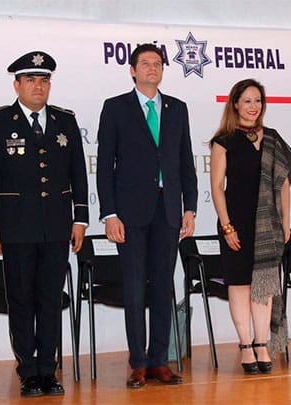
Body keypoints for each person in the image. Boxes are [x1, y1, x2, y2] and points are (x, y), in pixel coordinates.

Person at [0, 51, 88, 397]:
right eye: (31, 80)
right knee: (21, 300)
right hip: (15, 228)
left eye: (44, 80)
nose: (39, 86)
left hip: (56, 226)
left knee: (50, 300)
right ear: (17, 85)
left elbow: (78, 173)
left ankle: (48, 370)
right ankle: (28, 371)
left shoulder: (65, 121)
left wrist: (80, 218)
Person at [96, 43, 198, 389]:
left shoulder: (177, 108)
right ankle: (138, 363)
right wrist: (110, 213)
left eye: (158, 63)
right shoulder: (116, 107)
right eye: (145, 63)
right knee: (135, 288)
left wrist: (189, 207)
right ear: (133, 70)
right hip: (130, 213)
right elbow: (105, 166)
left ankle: (159, 361)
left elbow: (185, 162)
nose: (152, 68)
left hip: (168, 211)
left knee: (162, 288)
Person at [209, 79, 291, 374]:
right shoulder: (224, 140)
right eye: (247, 100)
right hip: (235, 222)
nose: (253, 106)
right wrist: (227, 226)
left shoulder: (273, 138)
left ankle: (262, 344)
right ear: (235, 104)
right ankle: (246, 345)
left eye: (258, 100)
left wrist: (285, 224)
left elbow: (284, 185)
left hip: (268, 225)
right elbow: (217, 187)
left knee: (264, 285)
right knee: (240, 285)